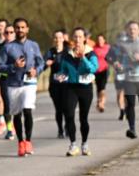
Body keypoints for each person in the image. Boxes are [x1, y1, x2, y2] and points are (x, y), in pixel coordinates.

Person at [0, 17, 44, 156]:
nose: (20, 30)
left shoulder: (33, 45)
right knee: (16, 114)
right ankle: (21, 143)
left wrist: (36, 70)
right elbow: (0, 66)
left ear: (27, 29)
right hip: (13, 84)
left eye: (23, 27)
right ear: (15, 30)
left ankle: (28, 141)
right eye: (18, 27)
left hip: (29, 83)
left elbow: (41, 63)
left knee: (27, 109)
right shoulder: (7, 48)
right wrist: (14, 66)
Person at [112, 21, 139, 139]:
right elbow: (114, 57)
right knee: (130, 104)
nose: (132, 31)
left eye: (135, 29)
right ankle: (132, 128)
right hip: (129, 79)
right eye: (130, 29)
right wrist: (116, 63)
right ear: (127, 30)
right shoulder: (122, 44)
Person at [59, 27, 99, 157]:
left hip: (85, 88)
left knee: (83, 118)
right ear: (72, 39)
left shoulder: (90, 53)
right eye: (75, 37)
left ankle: (85, 144)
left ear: (85, 39)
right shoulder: (67, 54)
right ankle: (73, 144)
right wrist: (60, 75)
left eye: (80, 37)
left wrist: (83, 58)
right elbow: (63, 70)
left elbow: (93, 69)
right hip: (71, 87)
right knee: (69, 115)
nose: (77, 39)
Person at [0, 23, 17, 140]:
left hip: (17, 79)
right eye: (6, 32)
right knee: (7, 105)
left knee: (17, 106)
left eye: (11, 32)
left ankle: (17, 126)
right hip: (5, 78)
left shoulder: (20, 46)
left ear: (15, 33)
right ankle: (9, 129)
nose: (8, 34)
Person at [45, 29, 69, 139]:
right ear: (53, 40)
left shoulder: (68, 51)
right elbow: (43, 64)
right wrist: (47, 63)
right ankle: (60, 129)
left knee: (67, 107)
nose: (57, 40)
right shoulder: (50, 52)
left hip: (67, 85)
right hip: (54, 84)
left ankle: (68, 127)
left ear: (63, 39)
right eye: (55, 38)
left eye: (59, 37)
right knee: (58, 108)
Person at [92, 34, 111, 113]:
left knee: (102, 88)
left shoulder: (108, 47)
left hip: (105, 70)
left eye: (101, 39)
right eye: (98, 39)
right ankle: (99, 101)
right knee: (98, 88)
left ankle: (101, 103)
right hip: (96, 71)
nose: (100, 41)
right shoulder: (94, 49)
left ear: (104, 40)